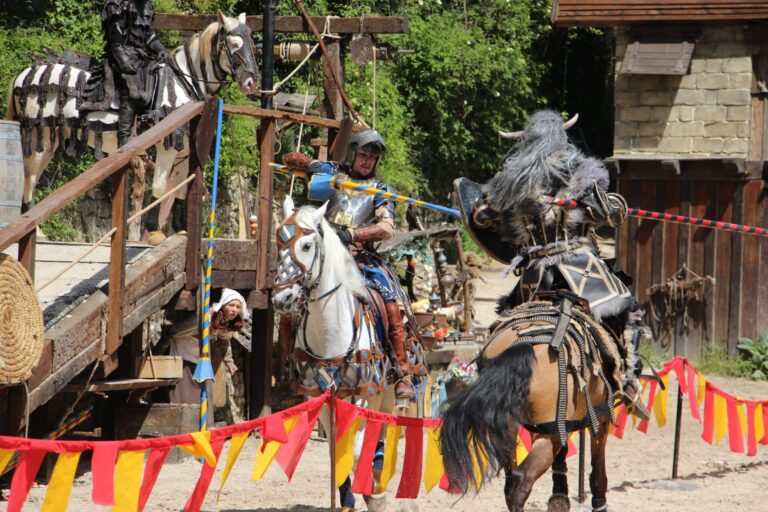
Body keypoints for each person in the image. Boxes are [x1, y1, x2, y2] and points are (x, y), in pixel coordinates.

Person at [455, 110, 650, 420]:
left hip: (534, 274)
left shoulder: (511, 178)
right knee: (626, 308)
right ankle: (629, 378)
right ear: (561, 136)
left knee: (504, 320)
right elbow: (606, 214)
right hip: (577, 265)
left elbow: (483, 215)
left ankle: (483, 372)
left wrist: (504, 209)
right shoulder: (581, 171)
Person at [278, 130, 415, 400]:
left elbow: (386, 226)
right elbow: (289, 158)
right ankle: (286, 373)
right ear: (354, 154)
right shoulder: (333, 172)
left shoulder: (380, 188)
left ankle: (401, 372)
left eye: (372, 157)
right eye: (363, 155)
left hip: (359, 255)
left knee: (389, 299)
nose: (366, 161)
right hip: (323, 254)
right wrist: (311, 166)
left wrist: (353, 234)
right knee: (290, 301)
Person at [82, 0, 170, 239]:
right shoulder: (118, 5)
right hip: (120, 58)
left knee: (158, 81)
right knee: (133, 90)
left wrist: (160, 47)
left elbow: (148, 35)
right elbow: (115, 37)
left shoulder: (147, 7)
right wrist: (123, 60)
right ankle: (124, 140)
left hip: (141, 58)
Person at [168, 288, 248, 425]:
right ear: (222, 305)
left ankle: (202, 429)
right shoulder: (205, 317)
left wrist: (229, 361)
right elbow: (175, 332)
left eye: (238, 307)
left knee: (204, 396)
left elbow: (224, 340)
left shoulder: (229, 322)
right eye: (231, 305)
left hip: (202, 358)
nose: (234, 310)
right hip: (184, 354)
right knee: (185, 396)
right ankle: (185, 430)